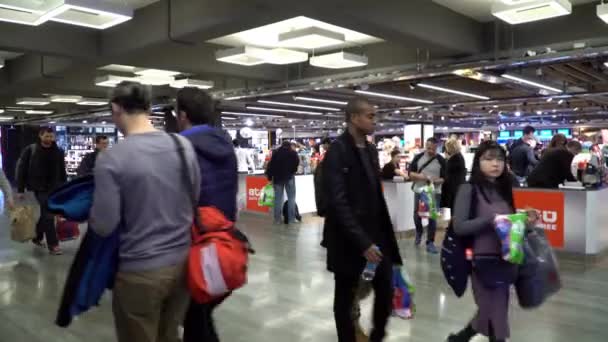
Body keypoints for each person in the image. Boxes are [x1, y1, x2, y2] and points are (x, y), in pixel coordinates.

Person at [89, 81, 201, 342]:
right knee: (170, 334)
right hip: (183, 264)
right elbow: (193, 198)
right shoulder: (182, 146)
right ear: (149, 108)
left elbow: (104, 224)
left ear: (115, 108)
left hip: (140, 270)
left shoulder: (112, 158)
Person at [323, 97, 403, 342]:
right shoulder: (338, 151)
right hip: (348, 239)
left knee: (386, 288)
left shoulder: (369, 149)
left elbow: (373, 194)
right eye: (370, 116)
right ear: (354, 117)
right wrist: (362, 242)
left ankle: (377, 336)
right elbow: (338, 203)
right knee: (345, 298)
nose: (375, 120)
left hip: (376, 235)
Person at [449, 140, 537, 342]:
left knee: (494, 308)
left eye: (499, 159)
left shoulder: (505, 188)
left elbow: (511, 225)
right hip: (481, 260)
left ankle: (462, 337)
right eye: (488, 159)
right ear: (478, 162)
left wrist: (527, 221)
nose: (495, 164)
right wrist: (490, 219)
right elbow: (460, 226)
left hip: (507, 258)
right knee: (494, 310)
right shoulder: (468, 189)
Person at [174, 87, 238, 342]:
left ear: (182, 115)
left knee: (195, 316)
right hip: (224, 242)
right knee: (198, 314)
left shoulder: (180, 147)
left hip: (194, 242)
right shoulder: (225, 144)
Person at [16, 127, 67, 255]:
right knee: (49, 214)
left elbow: (62, 171)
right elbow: (21, 169)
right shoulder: (31, 150)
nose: (49, 139)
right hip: (39, 188)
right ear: (40, 136)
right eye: (46, 136)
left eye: (51, 136)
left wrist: (66, 189)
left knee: (46, 214)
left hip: (54, 187)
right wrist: (20, 189)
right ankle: (53, 245)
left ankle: (37, 237)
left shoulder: (59, 151)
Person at [408, 137, 446, 254]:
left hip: (435, 192)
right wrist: (423, 177)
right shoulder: (418, 157)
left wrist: (435, 181)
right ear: (426, 146)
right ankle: (419, 232)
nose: (431, 150)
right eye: (429, 148)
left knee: (432, 217)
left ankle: (430, 242)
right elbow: (410, 174)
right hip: (419, 190)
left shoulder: (441, 160)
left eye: (433, 149)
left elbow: (444, 178)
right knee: (417, 214)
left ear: (437, 148)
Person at [266, 140, 299, 224]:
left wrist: (270, 177)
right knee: (291, 198)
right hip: (289, 178)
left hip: (277, 179)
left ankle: (277, 220)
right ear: (289, 146)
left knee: (277, 199)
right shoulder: (293, 153)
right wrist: (292, 171)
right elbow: (296, 164)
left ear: (282, 145)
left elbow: (271, 165)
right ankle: (291, 220)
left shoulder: (276, 153)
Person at [441, 138, 467, 210]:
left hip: (453, 190)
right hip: (457, 188)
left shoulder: (455, 159)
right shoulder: (459, 157)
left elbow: (448, 173)